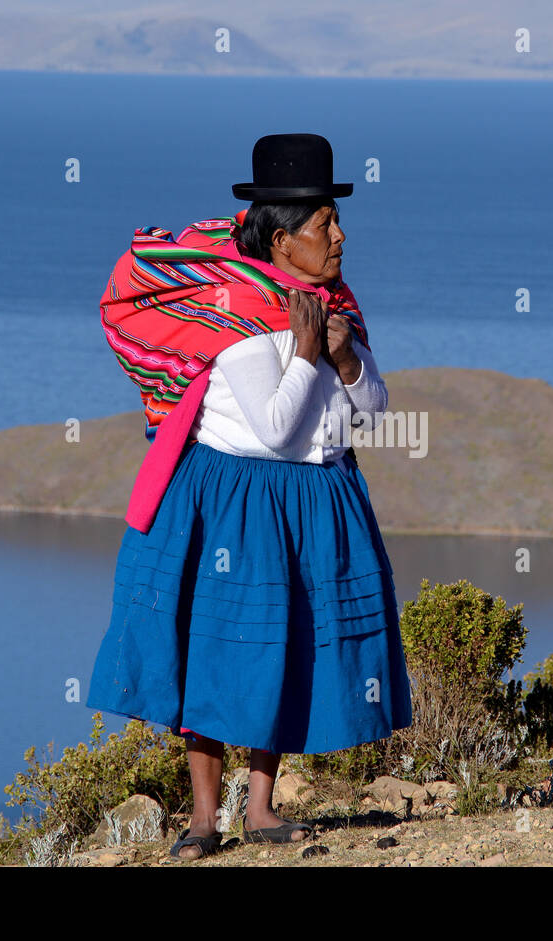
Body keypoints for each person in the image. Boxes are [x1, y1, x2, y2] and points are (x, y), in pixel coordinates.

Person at [86, 133, 413, 860]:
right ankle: (205, 820)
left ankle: (259, 806)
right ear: (280, 238)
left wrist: (345, 358)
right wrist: (304, 354)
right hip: (240, 497)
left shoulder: (336, 308)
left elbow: (376, 411)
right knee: (214, 649)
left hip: (318, 496)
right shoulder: (234, 309)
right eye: (324, 224)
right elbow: (272, 428)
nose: (340, 235)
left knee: (285, 645)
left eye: (336, 220)